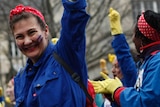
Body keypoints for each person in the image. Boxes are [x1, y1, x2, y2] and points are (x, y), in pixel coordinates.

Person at [9, 0, 90, 106]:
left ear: (46, 31)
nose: (27, 41)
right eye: (20, 37)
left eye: (32, 32)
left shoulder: (66, 54)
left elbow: (74, 17)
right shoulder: (20, 79)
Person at [90, 8, 160, 106]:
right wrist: (113, 97)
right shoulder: (148, 62)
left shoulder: (157, 62)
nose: (132, 39)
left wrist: (117, 91)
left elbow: (147, 102)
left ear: (142, 39)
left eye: (134, 34)